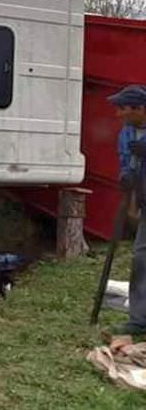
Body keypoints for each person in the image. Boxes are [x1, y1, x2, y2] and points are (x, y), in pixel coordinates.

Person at [109, 84, 146, 335]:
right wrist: (125, 176)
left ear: (140, 109)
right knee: (141, 259)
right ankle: (139, 320)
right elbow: (125, 161)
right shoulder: (126, 133)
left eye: (122, 109)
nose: (117, 114)